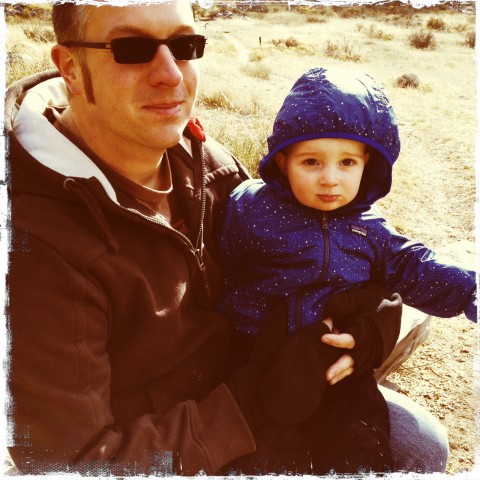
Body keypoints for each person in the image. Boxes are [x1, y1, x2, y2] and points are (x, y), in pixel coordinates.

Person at [4, 0, 450, 475]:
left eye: (184, 45)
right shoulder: (33, 244)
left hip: (262, 380)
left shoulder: (201, 157)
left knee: (422, 445)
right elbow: (71, 463)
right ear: (71, 66)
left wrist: (368, 330)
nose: (170, 75)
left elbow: (320, 246)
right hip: (180, 440)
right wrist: (252, 403)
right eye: (131, 48)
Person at [218, 67, 477, 472]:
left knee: (357, 447)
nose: (330, 180)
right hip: (257, 364)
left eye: (347, 162)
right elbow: (219, 263)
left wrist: (468, 292)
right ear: (282, 160)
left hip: (338, 370)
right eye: (311, 161)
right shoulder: (251, 208)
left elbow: (415, 266)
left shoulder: (371, 230)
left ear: (368, 163)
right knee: (265, 458)